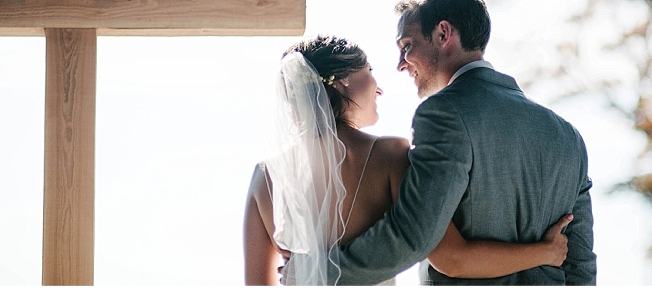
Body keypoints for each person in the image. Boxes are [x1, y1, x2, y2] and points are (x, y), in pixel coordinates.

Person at [243, 35, 573, 285]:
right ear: (343, 80)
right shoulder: (390, 156)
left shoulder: (265, 176)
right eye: (369, 71)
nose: (379, 88)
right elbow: (452, 258)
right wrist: (546, 252)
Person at [328, 0, 597, 285]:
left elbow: (414, 235)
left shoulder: (443, 114)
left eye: (407, 46)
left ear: (443, 33)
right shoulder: (567, 136)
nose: (401, 65)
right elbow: (580, 264)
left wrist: (323, 273)